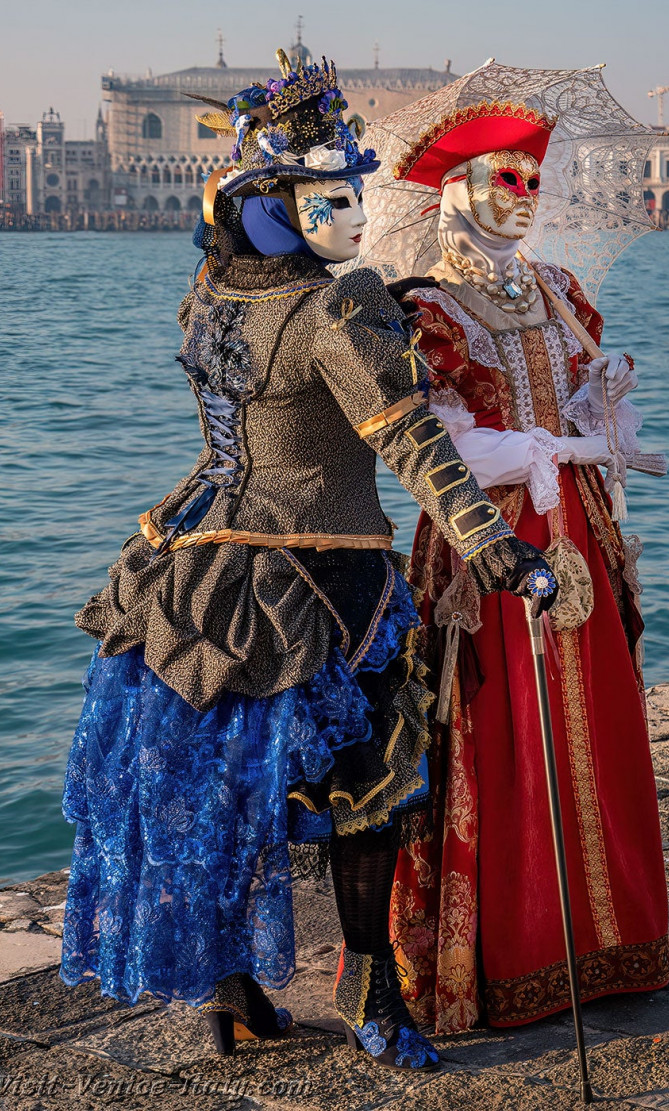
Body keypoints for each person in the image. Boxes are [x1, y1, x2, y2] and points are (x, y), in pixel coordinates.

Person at [58, 55, 557, 1071]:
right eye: (333, 195)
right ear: (276, 207)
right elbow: (407, 438)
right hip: (323, 582)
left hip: (192, 567)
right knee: (367, 799)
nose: (357, 213)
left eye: (355, 190)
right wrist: (494, 544)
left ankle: (236, 1001)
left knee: (223, 800)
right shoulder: (340, 308)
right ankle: (375, 999)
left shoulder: (207, 299)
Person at [385, 99, 669, 1033]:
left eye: (534, 181)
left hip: (579, 530)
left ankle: (608, 941)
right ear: (456, 191)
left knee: (598, 713)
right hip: (490, 546)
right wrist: (544, 448)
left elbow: (586, 413)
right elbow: (445, 444)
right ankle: (517, 953)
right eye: (505, 179)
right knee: (504, 723)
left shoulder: (559, 289)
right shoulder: (429, 309)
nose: (525, 197)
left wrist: (601, 405)